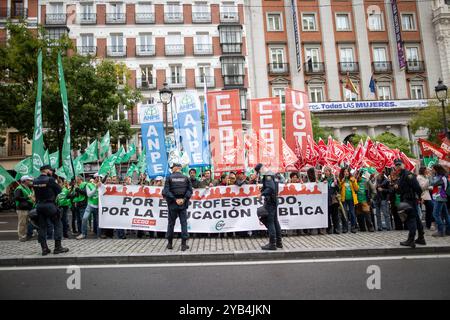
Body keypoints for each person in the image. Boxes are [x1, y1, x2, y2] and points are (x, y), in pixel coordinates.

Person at [33, 165, 68, 255]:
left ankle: (44, 249)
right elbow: (59, 190)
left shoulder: (35, 180)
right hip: (50, 205)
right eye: (50, 170)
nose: (52, 172)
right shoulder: (50, 179)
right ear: (46, 170)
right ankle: (58, 247)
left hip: (39, 205)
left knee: (42, 227)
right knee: (58, 224)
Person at [394, 159, 425, 247]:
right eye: (396, 165)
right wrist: (397, 187)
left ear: (403, 165)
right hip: (406, 199)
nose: (398, 167)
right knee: (416, 219)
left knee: (410, 219)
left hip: (410, 200)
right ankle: (421, 238)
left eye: (399, 165)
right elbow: (400, 189)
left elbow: (417, 187)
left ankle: (411, 240)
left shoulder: (408, 175)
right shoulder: (401, 176)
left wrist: (420, 197)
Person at [162, 163, 193, 251]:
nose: (171, 169)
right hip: (183, 205)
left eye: (172, 168)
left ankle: (169, 244)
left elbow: (166, 191)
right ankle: (183, 244)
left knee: (171, 224)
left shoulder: (169, 178)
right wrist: (183, 199)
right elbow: (190, 191)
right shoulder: (186, 178)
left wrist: (175, 199)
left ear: (176, 168)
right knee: (184, 224)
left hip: (172, 205)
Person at [257, 163, 282, 250]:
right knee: (275, 221)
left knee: (270, 221)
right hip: (274, 200)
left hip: (270, 202)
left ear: (260, 169)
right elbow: (274, 187)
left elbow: (271, 188)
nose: (259, 174)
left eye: (258, 172)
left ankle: (272, 244)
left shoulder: (267, 175)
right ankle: (279, 242)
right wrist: (263, 188)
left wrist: (262, 194)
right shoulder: (272, 174)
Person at [77, 173, 101, 240]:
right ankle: (83, 234)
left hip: (98, 206)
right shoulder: (89, 184)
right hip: (90, 205)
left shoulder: (101, 185)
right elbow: (89, 195)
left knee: (98, 221)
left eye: (100, 177)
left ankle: (99, 235)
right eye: (98, 177)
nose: (99, 179)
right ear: (95, 178)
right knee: (84, 218)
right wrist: (95, 188)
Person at [430, 164, 450, 237]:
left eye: (433, 169)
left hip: (439, 197)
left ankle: (440, 231)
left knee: (435, 214)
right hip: (441, 196)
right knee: (445, 214)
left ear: (436, 169)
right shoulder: (443, 176)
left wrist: (431, 175)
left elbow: (432, 183)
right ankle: (448, 230)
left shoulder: (440, 177)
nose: (432, 170)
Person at [14, 175, 35, 242]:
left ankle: (26, 235)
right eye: (29, 180)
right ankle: (22, 237)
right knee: (22, 223)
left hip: (27, 207)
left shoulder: (27, 187)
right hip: (21, 208)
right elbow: (17, 197)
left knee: (27, 223)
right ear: (25, 181)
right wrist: (27, 197)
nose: (30, 181)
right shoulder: (19, 188)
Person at [339, 167, 358, 233]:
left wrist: (353, 182)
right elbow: (339, 188)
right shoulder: (341, 179)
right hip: (343, 199)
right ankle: (345, 227)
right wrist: (342, 181)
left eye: (347, 171)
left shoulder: (352, 179)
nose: (346, 173)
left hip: (351, 199)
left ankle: (353, 227)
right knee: (344, 213)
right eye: (344, 171)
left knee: (352, 213)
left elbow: (356, 189)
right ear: (342, 173)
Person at [322, 167, 340, 234]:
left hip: (333, 199)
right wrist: (322, 183)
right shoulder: (323, 179)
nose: (326, 172)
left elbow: (338, 189)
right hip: (326, 199)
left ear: (330, 172)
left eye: (327, 171)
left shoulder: (334, 179)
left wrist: (336, 184)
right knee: (327, 215)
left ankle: (336, 228)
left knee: (335, 215)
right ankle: (329, 228)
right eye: (325, 171)